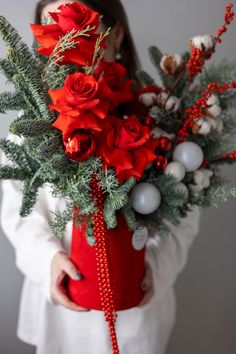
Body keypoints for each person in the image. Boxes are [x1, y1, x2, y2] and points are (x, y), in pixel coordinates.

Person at [0, 0, 201, 353]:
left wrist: (154, 264)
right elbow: (19, 210)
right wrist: (47, 259)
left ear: (116, 34)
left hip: (138, 315)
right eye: (55, 31)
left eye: (80, 27)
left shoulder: (158, 125)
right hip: (60, 318)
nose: (69, 43)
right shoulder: (31, 131)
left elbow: (183, 210)